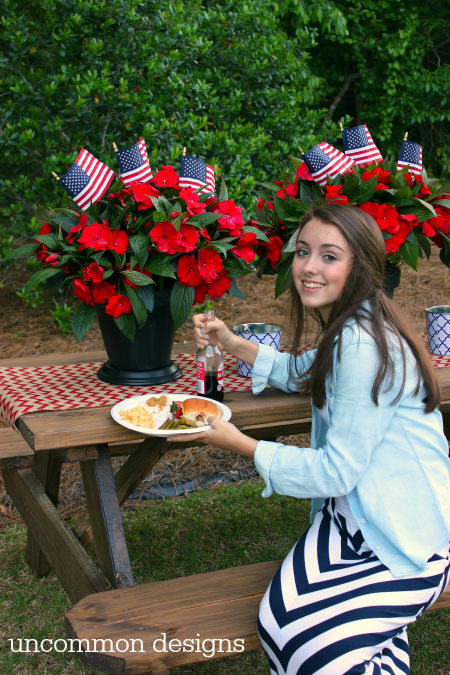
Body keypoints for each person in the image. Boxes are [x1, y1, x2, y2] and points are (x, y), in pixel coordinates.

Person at [169, 204, 450, 674]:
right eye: (303, 252)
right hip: (350, 518)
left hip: (403, 535)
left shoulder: (363, 344)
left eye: (328, 256)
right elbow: (301, 371)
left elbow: (335, 470)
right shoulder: (352, 327)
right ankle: (377, 639)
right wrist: (233, 342)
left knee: (310, 648)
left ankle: (376, 634)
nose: (309, 267)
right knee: (278, 624)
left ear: (359, 266)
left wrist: (239, 443)